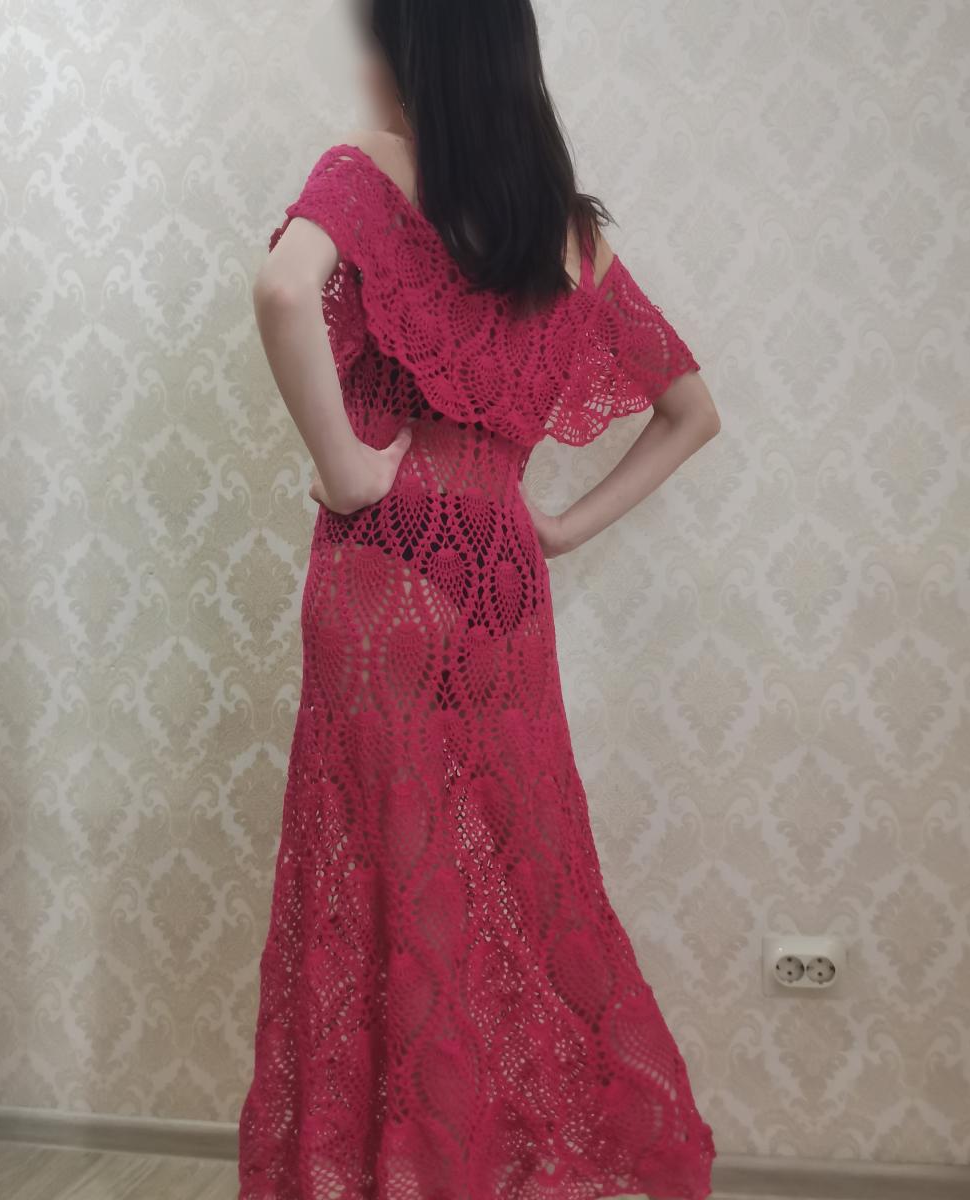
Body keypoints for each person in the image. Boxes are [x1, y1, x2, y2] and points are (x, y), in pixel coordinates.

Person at [237, 1, 722, 1196]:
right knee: (512, 878)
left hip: (383, 581)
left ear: (413, 51)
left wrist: (351, 469)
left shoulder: (368, 171)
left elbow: (285, 294)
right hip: (501, 585)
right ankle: (477, 1161)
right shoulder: (570, 231)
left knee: (380, 884)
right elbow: (692, 412)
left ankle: (395, 1169)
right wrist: (554, 528)